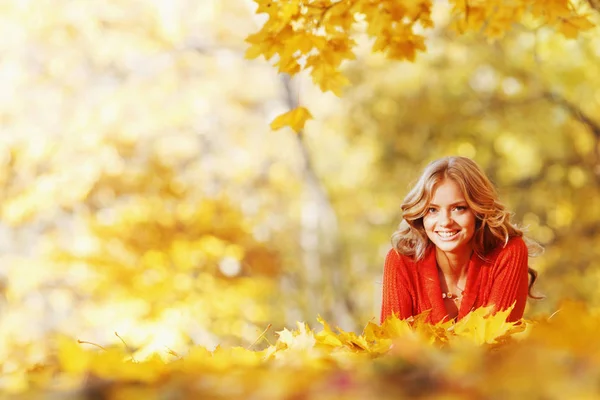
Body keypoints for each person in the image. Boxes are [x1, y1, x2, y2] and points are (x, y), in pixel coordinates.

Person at [380, 156, 542, 324]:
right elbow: (392, 344)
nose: (445, 222)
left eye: (458, 208)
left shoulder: (508, 253)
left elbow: (497, 343)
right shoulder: (400, 261)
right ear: (421, 214)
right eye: (432, 210)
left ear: (478, 211)